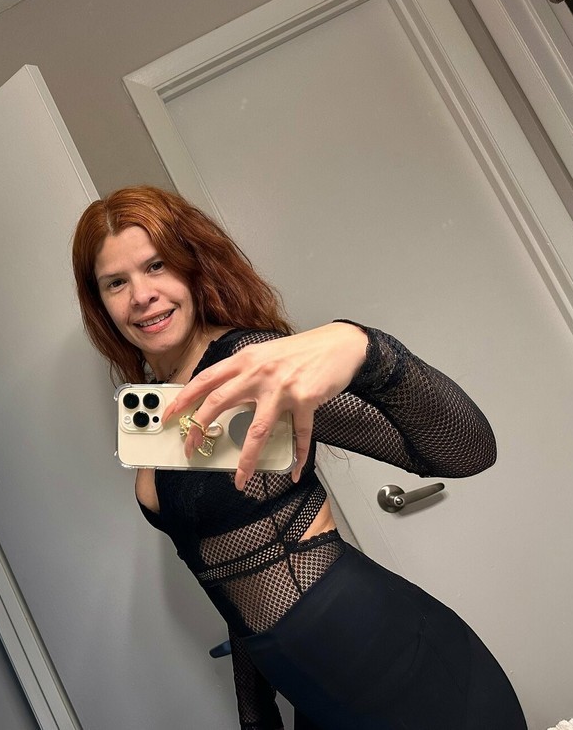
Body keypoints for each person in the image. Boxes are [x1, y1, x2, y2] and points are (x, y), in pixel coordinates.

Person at [71, 185, 526, 729]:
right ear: (100, 302)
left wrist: (363, 347)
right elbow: (235, 580)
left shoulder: (251, 363)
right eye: (116, 282)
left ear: (191, 266)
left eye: (156, 266)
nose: (141, 295)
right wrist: (256, 715)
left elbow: (468, 450)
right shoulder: (160, 403)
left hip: (402, 670)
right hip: (319, 694)